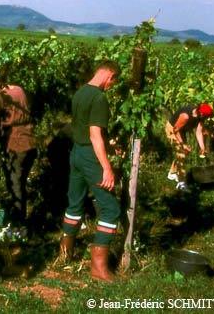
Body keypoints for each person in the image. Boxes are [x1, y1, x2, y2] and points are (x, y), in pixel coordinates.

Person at [58, 59, 121, 283]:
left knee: (75, 203)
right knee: (111, 209)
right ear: (109, 75)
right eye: (114, 82)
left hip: (76, 152)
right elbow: (94, 135)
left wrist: (109, 144)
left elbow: (85, 130)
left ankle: (65, 254)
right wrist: (107, 168)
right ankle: (98, 268)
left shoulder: (80, 93)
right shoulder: (99, 97)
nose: (111, 86)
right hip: (90, 157)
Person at [0, 67, 37, 241]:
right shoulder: (19, 90)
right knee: (21, 184)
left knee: (14, 185)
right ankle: (19, 223)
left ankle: (17, 227)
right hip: (30, 141)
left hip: (15, 144)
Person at [165, 103, 214, 193]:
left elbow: (199, 133)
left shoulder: (201, 117)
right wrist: (183, 144)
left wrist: (202, 148)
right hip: (173, 129)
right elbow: (176, 130)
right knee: (181, 154)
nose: (206, 118)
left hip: (181, 130)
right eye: (205, 116)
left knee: (183, 153)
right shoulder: (185, 116)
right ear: (200, 112)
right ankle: (181, 183)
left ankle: (172, 173)